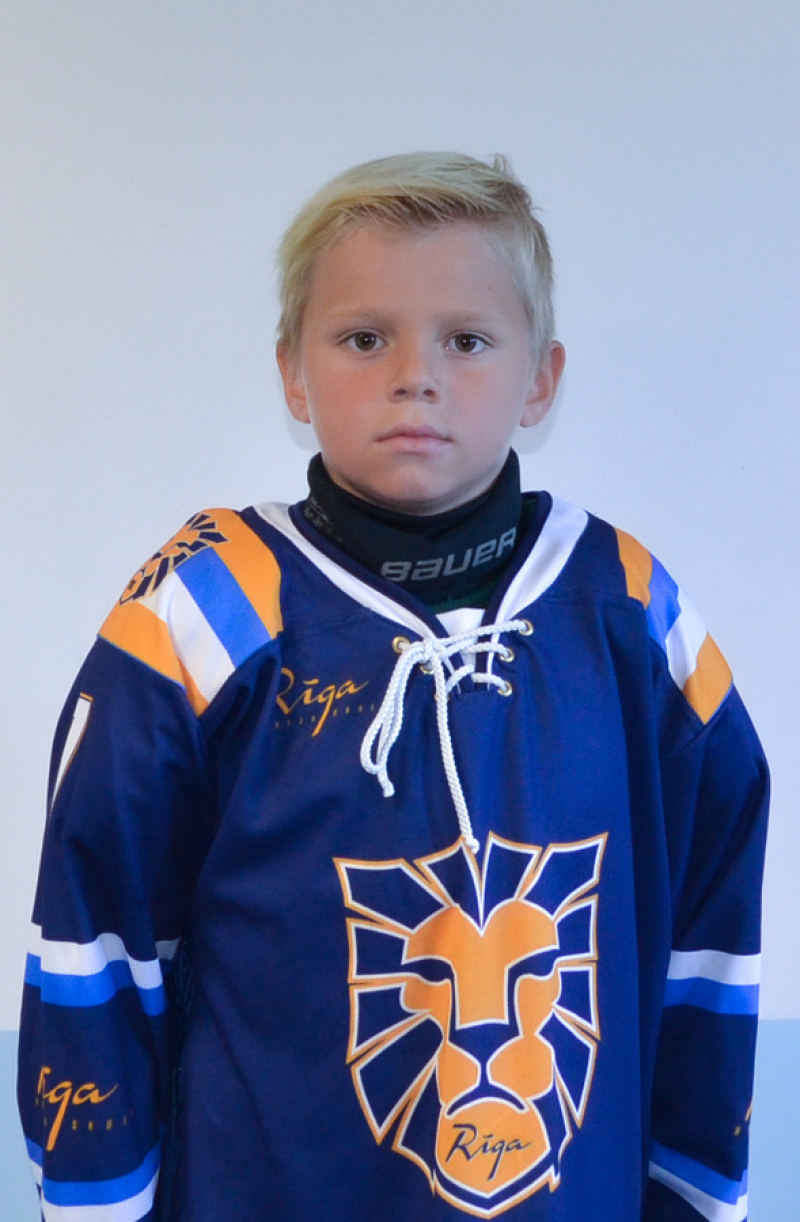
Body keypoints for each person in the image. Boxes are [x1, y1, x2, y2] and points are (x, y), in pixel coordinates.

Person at [18, 152, 768, 1222]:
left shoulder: (629, 612)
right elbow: (95, 938)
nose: (415, 376)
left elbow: (708, 935)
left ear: (541, 378)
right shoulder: (205, 615)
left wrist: (693, 1196)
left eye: (466, 340)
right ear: (293, 372)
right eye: (364, 338)